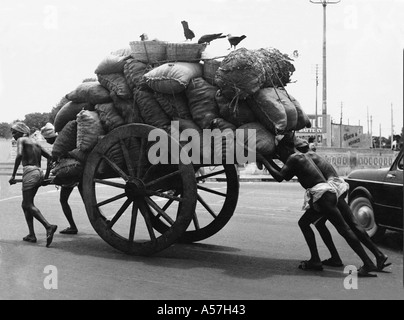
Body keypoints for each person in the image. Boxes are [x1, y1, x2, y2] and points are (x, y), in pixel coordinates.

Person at [262, 135, 379, 277]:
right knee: (310, 223)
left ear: (286, 147)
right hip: (326, 193)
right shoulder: (300, 157)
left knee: (344, 229)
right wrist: (268, 160)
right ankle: (322, 259)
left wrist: (263, 159)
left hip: (323, 196)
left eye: (280, 151)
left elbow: (280, 177)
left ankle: (367, 263)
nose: (281, 155)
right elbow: (285, 174)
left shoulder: (294, 158)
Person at [294, 138, 391, 271]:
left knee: (342, 228)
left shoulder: (305, 157)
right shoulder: (314, 155)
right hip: (337, 187)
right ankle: (378, 255)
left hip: (330, 190)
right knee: (346, 224)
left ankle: (363, 261)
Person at [9, 122, 57, 247]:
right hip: (38, 172)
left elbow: (19, 155)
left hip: (30, 172)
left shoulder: (22, 140)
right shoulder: (35, 143)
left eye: (15, 132)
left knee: (27, 204)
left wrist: (13, 175)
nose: (13, 135)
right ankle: (31, 234)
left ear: (22, 132)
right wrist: (45, 176)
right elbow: (51, 157)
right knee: (26, 204)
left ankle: (48, 226)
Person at [41, 123, 80, 235]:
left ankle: (72, 226)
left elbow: (50, 162)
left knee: (63, 200)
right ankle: (103, 220)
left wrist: (47, 177)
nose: (47, 142)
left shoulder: (59, 145)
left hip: (70, 175)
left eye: (47, 139)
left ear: (51, 137)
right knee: (88, 200)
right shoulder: (66, 139)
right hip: (79, 172)